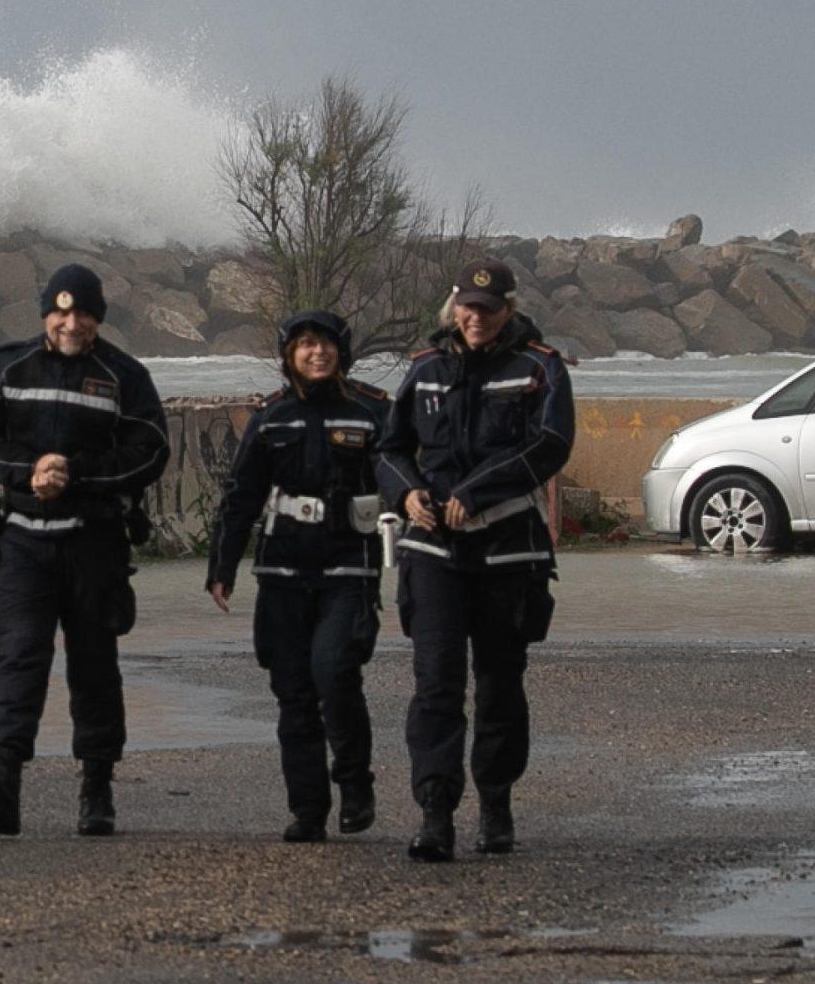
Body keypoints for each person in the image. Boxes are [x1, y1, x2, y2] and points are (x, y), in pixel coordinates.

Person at [0, 263, 170, 838]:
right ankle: (4, 783)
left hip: (94, 542)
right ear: (45, 313)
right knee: (20, 655)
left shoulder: (125, 375)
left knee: (94, 668)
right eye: (59, 312)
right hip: (23, 539)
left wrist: (75, 474)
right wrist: (30, 471)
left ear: (98, 318)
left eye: (82, 313)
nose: (70, 322)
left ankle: (96, 792)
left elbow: (150, 451)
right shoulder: (9, 364)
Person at [376, 257, 575, 862]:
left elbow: (551, 443)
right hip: (433, 552)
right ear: (452, 307)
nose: (475, 318)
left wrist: (475, 492)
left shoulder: (539, 368)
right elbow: (389, 448)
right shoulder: (424, 369)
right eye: (466, 307)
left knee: (499, 686)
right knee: (435, 685)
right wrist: (405, 492)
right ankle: (436, 814)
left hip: (508, 552)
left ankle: (496, 802)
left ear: (508, 311)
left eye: (488, 311)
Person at [204, 310, 388, 843]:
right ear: (289, 355)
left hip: (347, 567)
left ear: (341, 352)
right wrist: (222, 568)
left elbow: (399, 474)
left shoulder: (371, 412)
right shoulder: (271, 418)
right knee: (293, 691)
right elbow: (240, 498)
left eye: (326, 344)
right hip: (282, 568)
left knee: (334, 673)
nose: (317, 353)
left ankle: (355, 785)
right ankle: (308, 810)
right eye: (305, 345)